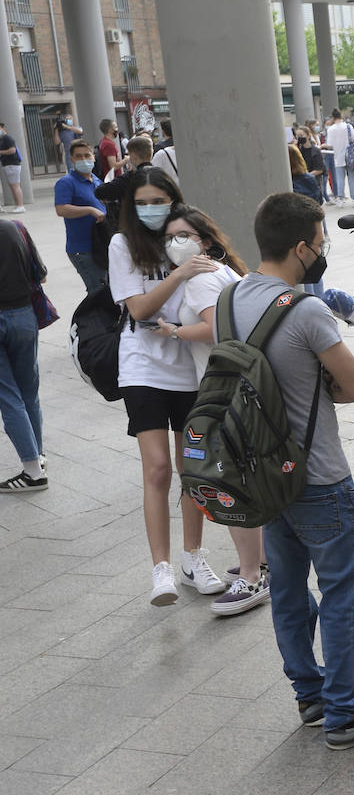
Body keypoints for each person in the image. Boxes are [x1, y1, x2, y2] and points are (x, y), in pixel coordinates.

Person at [234, 191, 354, 747]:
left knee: (289, 593)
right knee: (341, 597)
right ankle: (347, 713)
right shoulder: (305, 309)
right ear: (299, 248)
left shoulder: (228, 300)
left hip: (263, 475)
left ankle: (310, 697)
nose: (323, 251)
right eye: (319, 243)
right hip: (318, 478)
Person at [106, 168, 229, 605]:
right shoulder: (123, 244)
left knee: (191, 469)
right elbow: (138, 309)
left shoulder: (184, 239)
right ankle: (161, 569)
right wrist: (176, 276)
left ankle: (193, 558)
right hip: (143, 365)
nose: (151, 209)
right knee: (157, 468)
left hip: (191, 368)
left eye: (159, 200)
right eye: (142, 202)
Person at [157, 205, 272, 615]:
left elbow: (216, 328)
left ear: (204, 239)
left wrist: (175, 331)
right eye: (169, 238)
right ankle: (258, 563)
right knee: (245, 475)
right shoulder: (222, 270)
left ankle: (251, 578)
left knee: (227, 481)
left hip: (222, 391)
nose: (175, 244)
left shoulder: (200, 279)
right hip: (244, 385)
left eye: (183, 235)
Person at [0, 218, 45, 491]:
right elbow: (40, 273)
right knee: (29, 391)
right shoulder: (15, 227)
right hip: (23, 316)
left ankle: (33, 472)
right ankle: (38, 457)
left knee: (8, 396)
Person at [53, 140, 107, 294]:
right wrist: (90, 210)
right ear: (71, 159)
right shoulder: (66, 183)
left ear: (94, 157)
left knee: (107, 290)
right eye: (78, 156)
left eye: (87, 155)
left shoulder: (97, 180)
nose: (84, 159)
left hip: (100, 246)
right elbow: (61, 209)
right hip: (82, 250)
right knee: (98, 292)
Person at [96, 135, 154, 227]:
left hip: (135, 226)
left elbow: (100, 191)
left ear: (133, 156)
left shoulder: (129, 178)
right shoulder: (162, 175)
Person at [324, 109, 354, 205]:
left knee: (340, 178)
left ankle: (340, 199)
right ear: (341, 116)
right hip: (350, 157)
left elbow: (329, 144)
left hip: (337, 157)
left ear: (333, 117)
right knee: (351, 177)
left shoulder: (331, 129)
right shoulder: (348, 126)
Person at [0, 124, 25, 212]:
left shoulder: (7, 138)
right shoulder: (2, 139)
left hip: (12, 164)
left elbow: (12, 150)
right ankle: (18, 205)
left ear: (2, 128)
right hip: (8, 165)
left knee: (15, 186)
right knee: (13, 186)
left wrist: (1, 152)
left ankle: (20, 205)